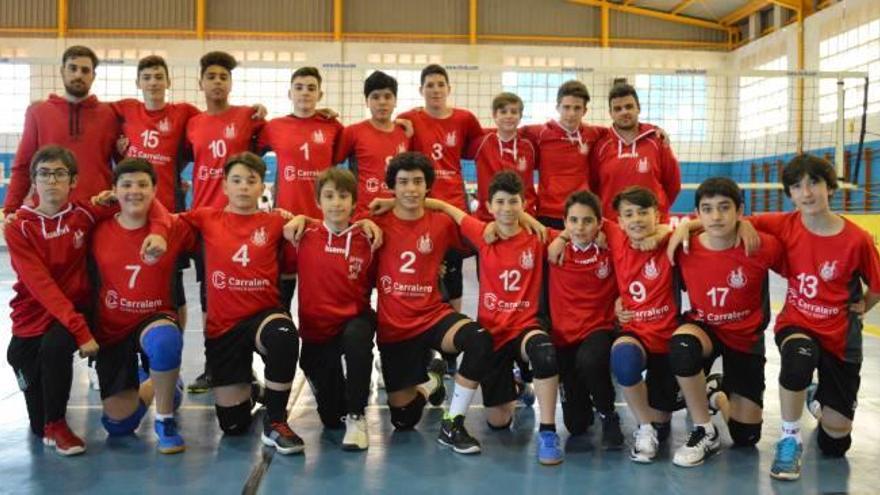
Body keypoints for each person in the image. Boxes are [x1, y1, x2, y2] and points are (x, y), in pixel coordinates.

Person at [5, 145, 166, 456]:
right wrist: (81, 331)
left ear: (73, 181)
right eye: (44, 174)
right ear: (33, 181)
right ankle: (48, 422)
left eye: (60, 174)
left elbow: (145, 203)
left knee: (56, 346)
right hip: (32, 315)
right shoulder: (18, 227)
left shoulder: (84, 214)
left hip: (73, 313)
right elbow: (41, 285)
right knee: (35, 419)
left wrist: (158, 231)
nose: (52, 181)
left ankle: (58, 424)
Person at [738, 155, 879, 480]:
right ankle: (790, 438)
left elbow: (877, 284)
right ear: (791, 194)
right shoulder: (785, 224)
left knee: (835, 442)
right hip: (797, 324)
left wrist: (863, 308)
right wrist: (745, 222)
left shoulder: (856, 239)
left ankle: (820, 398)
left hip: (840, 337)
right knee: (798, 359)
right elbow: (735, 222)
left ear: (829, 187)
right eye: (797, 186)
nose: (807, 192)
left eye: (814, 183)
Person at [426, 171, 563, 465]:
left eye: (513, 202)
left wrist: (551, 232)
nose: (507, 208)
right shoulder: (481, 232)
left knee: (545, 353)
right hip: (493, 334)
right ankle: (517, 387)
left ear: (524, 204)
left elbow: (580, 231)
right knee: (498, 421)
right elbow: (448, 209)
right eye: (499, 202)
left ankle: (549, 433)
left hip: (526, 328)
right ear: (488, 205)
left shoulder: (538, 236)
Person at [370, 151, 494, 455]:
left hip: (432, 316)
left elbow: (485, 234)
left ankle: (453, 423)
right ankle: (432, 382)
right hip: (395, 327)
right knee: (403, 419)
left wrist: (440, 204)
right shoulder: (374, 221)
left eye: (417, 182)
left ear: (428, 186)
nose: (411, 189)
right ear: (392, 187)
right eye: (403, 182)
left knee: (478, 339)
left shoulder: (440, 222)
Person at [179, 152, 303, 454]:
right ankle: (253, 390)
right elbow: (159, 220)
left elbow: (321, 223)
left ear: (264, 187)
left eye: (251, 181)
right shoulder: (206, 217)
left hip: (264, 315)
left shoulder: (275, 221)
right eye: (236, 180)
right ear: (224, 186)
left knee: (284, 336)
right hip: (224, 327)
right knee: (233, 427)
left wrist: (301, 218)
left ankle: (275, 421)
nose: (244, 187)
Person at [665, 177, 783, 467]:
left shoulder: (761, 245)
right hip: (704, 328)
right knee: (682, 347)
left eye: (724, 208)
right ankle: (704, 430)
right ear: (698, 214)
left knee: (745, 437)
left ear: (739, 210)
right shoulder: (684, 247)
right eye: (707, 209)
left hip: (745, 337)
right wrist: (684, 226)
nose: (716, 216)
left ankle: (716, 394)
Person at [90, 158, 195, 454]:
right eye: (126, 185)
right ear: (113, 190)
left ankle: (165, 419)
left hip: (154, 318)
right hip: (112, 329)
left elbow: (217, 229)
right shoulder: (98, 226)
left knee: (165, 341)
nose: (134, 191)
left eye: (142, 185)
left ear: (155, 189)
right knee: (118, 425)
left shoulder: (171, 227)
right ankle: (158, 384)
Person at [185, 51, 266, 393]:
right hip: (207, 224)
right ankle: (214, 366)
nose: (218, 82)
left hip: (245, 222)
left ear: (230, 84)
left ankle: (244, 368)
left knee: (245, 297)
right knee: (211, 299)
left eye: (224, 77)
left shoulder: (249, 117)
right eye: (212, 76)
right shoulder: (191, 123)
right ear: (200, 82)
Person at [283, 168, 378, 451]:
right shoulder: (303, 234)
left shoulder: (368, 238)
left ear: (354, 201)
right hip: (317, 329)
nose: (336, 203)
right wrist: (298, 218)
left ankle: (357, 416)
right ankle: (335, 394)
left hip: (354, 318)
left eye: (343, 196)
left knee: (358, 340)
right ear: (318, 201)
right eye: (329, 196)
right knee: (330, 418)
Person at [398, 64, 484, 314]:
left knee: (454, 268)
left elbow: (482, 145)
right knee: (425, 265)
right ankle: (422, 323)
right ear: (421, 90)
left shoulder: (464, 119)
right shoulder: (409, 118)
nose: (435, 90)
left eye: (440, 85)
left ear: (449, 88)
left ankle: (453, 323)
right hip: (421, 205)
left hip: (454, 203)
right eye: (430, 85)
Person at [605, 186, 679, 463]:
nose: (636, 219)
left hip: (668, 338)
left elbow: (697, 228)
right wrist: (561, 237)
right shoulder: (616, 238)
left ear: (657, 214)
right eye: (629, 214)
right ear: (620, 221)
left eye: (644, 212)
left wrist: (665, 233)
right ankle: (644, 429)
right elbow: (579, 216)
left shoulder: (672, 241)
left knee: (664, 419)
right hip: (635, 332)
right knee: (623, 360)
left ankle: (702, 390)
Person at [546, 190, 624, 449]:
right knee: (576, 426)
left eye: (588, 221)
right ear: (565, 222)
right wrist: (561, 237)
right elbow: (523, 221)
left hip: (598, 330)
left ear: (600, 223)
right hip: (564, 338)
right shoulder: (552, 246)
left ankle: (608, 415)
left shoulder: (610, 249)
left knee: (590, 360)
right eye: (574, 220)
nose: (580, 227)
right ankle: (584, 406)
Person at [4, 46, 119, 215]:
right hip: (50, 214)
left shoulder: (110, 115)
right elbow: (23, 166)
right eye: (72, 68)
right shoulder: (38, 113)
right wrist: (10, 210)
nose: (78, 75)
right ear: (62, 71)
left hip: (98, 212)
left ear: (93, 76)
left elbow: (125, 168)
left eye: (85, 70)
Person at [589, 83, 680, 224]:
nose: (624, 112)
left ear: (638, 108)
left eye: (629, 106)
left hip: (653, 224)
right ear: (611, 113)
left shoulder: (657, 140)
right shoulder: (601, 145)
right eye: (617, 109)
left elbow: (673, 184)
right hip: (613, 225)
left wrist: (659, 210)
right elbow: (593, 187)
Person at [521, 80, 603, 230]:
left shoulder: (593, 133)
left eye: (577, 108)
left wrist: (653, 130)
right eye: (566, 107)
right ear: (558, 107)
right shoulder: (540, 132)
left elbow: (623, 131)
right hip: (548, 213)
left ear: (584, 111)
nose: (571, 113)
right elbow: (505, 130)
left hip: (581, 212)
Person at [334, 70, 410, 219]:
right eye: (375, 97)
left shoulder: (405, 134)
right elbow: (330, 162)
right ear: (366, 101)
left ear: (395, 101)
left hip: (398, 213)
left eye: (387, 97)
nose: (382, 102)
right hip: (363, 215)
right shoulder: (353, 132)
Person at [465, 92, 537, 222]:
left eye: (514, 112)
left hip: (522, 218)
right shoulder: (481, 143)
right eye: (503, 112)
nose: (509, 116)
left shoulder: (529, 146)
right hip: (488, 218)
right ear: (494, 115)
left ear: (520, 116)